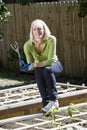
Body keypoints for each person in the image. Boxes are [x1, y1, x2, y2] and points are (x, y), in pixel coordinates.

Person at [23, 19, 63, 113]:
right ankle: (46, 104)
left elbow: (51, 60)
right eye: (34, 29)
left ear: (44, 29)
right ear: (31, 31)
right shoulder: (28, 45)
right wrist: (26, 67)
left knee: (47, 69)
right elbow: (31, 64)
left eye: (40, 29)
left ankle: (54, 100)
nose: (37, 32)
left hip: (55, 65)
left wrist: (35, 64)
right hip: (41, 68)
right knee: (38, 70)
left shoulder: (51, 39)